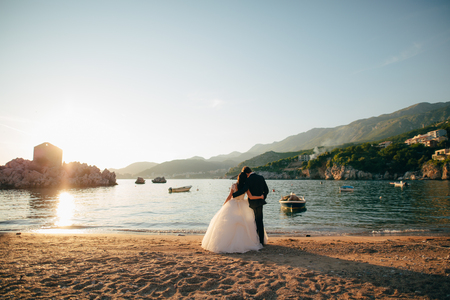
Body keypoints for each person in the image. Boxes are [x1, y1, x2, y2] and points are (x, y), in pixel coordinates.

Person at [201, 172, 267, 253]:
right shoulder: (246, 187)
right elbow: (251, 197)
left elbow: (230, 196)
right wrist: (260, 196)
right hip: (243, 204)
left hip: (233, 204)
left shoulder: (234, 185)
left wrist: (224, 205)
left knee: (230, 222)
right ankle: (247, 242)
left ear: (238, 178)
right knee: (245, 223)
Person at [232, 166, 269, 245]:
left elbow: (243, 190)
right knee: (260, 221)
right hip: (260, 202)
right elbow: (266, 190)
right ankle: (261, 242)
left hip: (252, 203)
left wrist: (234, 194)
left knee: (253, 222)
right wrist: (262, 197)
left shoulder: (248, 180)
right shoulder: (261, 177)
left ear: (246, 173)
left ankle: (255, 240)